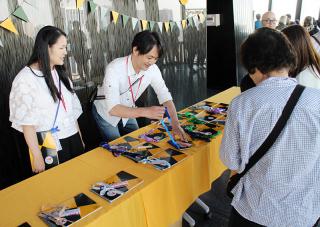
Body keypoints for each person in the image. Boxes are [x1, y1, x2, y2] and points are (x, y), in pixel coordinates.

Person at [220, 27, 320, 227]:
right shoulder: (316, 99)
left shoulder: (242, 103)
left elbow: (230, 159)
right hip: (303, 212)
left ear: (254, 66)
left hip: (255, 209)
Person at [9, 26, 84, 173]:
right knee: (59, 187)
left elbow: (71, 112)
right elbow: (27, 124)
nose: (66, 52)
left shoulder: (61, 74)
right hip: (49, 144)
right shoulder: (25, 79)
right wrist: (37, 156)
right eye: (62, 47)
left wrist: (79, 139)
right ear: (47, 47)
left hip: (72, 137)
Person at [92, 30, 187, 142]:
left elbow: (165, 97)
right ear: (135, 50)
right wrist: (146, 111)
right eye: (149, 57)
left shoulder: (153, 70)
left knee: (138, 142)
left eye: (155, 59)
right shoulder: (114, 68)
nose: (152, 62)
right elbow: (113, 109)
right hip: (106, 113)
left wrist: (175, 125)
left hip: (129, 110)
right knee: (117, 146)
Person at [240, 11, 277, 92]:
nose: (271, 23)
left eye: (273, 21)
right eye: (267, 20)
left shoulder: (281, 39)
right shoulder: (254, 38)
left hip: (275, 76)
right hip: (258, 74)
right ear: (261, 22)